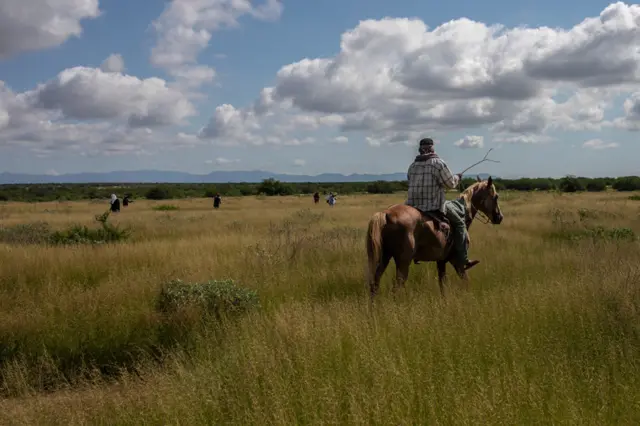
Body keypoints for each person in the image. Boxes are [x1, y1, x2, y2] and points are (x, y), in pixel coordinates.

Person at [406, 137, 479, 271]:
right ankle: (463, 259)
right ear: (432, 148)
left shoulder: (412, 166)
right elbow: (450, 184)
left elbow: (409, 181)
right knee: (460, 224)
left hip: (412, 206)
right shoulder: (438, 163)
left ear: (420, 149)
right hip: (433, 206)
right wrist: (457, 177)